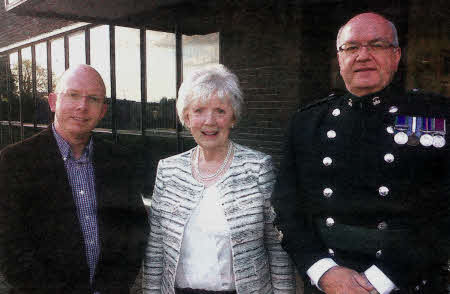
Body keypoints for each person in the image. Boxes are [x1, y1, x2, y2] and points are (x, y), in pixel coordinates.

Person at [273, 12, 449, 294]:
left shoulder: (435, 117)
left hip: (407, 280)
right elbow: (287, 207)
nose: (363, 55)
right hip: (329, 283)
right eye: (351, 48)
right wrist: (322, 270)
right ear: (339, 59)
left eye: (377, 45)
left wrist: (381, 280)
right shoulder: (307, 122)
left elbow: (443, 211)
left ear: (396, 55)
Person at [142, 64, 296, 294]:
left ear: (233, 117)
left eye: (220, 111)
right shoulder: (168, 170)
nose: (209, 121)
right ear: (186, 116)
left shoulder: (257, 168)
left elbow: (277, 246)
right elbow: (156, 247)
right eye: (199, 110)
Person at [0, 64, 150, 294]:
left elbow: (134, 232)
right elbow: (9, 247)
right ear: (52, 102)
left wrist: (112, 287)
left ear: (102, 110)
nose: (82, 106)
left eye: (93, 99)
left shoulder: (120, 160)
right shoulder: (15, 161)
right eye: (73, 95)